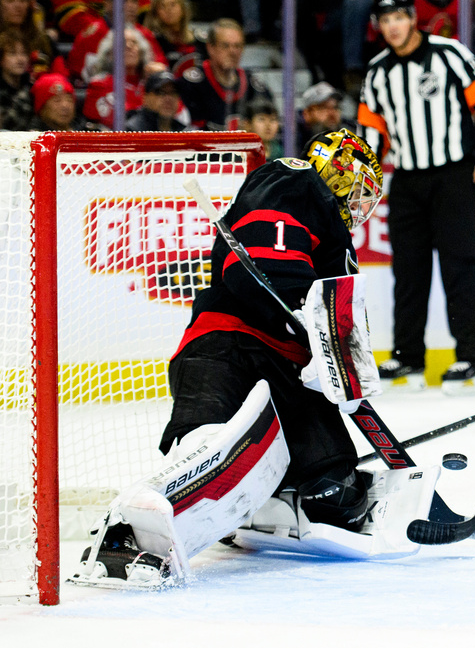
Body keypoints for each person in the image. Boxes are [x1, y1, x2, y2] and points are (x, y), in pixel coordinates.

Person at [73, 129, 388, 586]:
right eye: (358, 191)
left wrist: (337, 360)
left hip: (287, 372)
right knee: (206, 448)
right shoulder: (293, 181)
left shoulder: (337, 238)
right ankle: (125, 537)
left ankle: (268, 501)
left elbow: (337, 319)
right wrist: (307, 313)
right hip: (227, 347)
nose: (360, 206)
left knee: (334, 495)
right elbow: (260, 262)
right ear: (338, 171)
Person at [359, 0, 475, 395]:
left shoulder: (449, 54)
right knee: (407, 273)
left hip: (454, 176)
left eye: (398, 17)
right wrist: (366, 177)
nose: (392, 26)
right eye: (384, 19)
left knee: (460, 268)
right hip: (406, 181)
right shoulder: (377, 71)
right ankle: (408, 358)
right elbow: (372, 131)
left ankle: (473, 360)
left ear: (412, 18)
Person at [177, 18, 274, 131]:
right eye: (225, 46)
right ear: (210, 48)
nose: (233, 52)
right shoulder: (191, 85)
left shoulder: (254, 87)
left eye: (237, 46)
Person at [83, 25, 165, 128]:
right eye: (122, 43)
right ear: (110, 53)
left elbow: (176, 114)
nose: (129, 46)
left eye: (134, 42)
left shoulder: (151, 83)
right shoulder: (100, 85)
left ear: (141, 52)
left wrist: (161, 79)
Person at [144, 0, 204, 77]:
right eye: (162, 6)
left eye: (173, 4)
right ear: (156, 12)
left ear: (183, 8)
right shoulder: (153, 40)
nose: (168, 10)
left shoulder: (199, 40)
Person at [28, 72, 101, 130]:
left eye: (69, 100)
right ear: (42, 108)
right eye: (57, 100)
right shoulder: (33, 139)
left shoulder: (88, 132)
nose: (65, 105)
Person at [124, 69, 189, 131]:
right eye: (160, 92)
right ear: (145, 98)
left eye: (173, 92)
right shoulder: (132, 131)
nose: (168, 98)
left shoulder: (184, 131)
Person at [0, 28, 34, 131]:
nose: (20, 59)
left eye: (23, 53)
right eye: (12, 53)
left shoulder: (32, 89)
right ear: (1, 59)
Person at [299, 81, 345, 147]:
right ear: (307, 113)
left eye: (335, 107)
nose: (332, 113)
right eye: (325, 107)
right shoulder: (292, 138)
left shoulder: (348, 135)